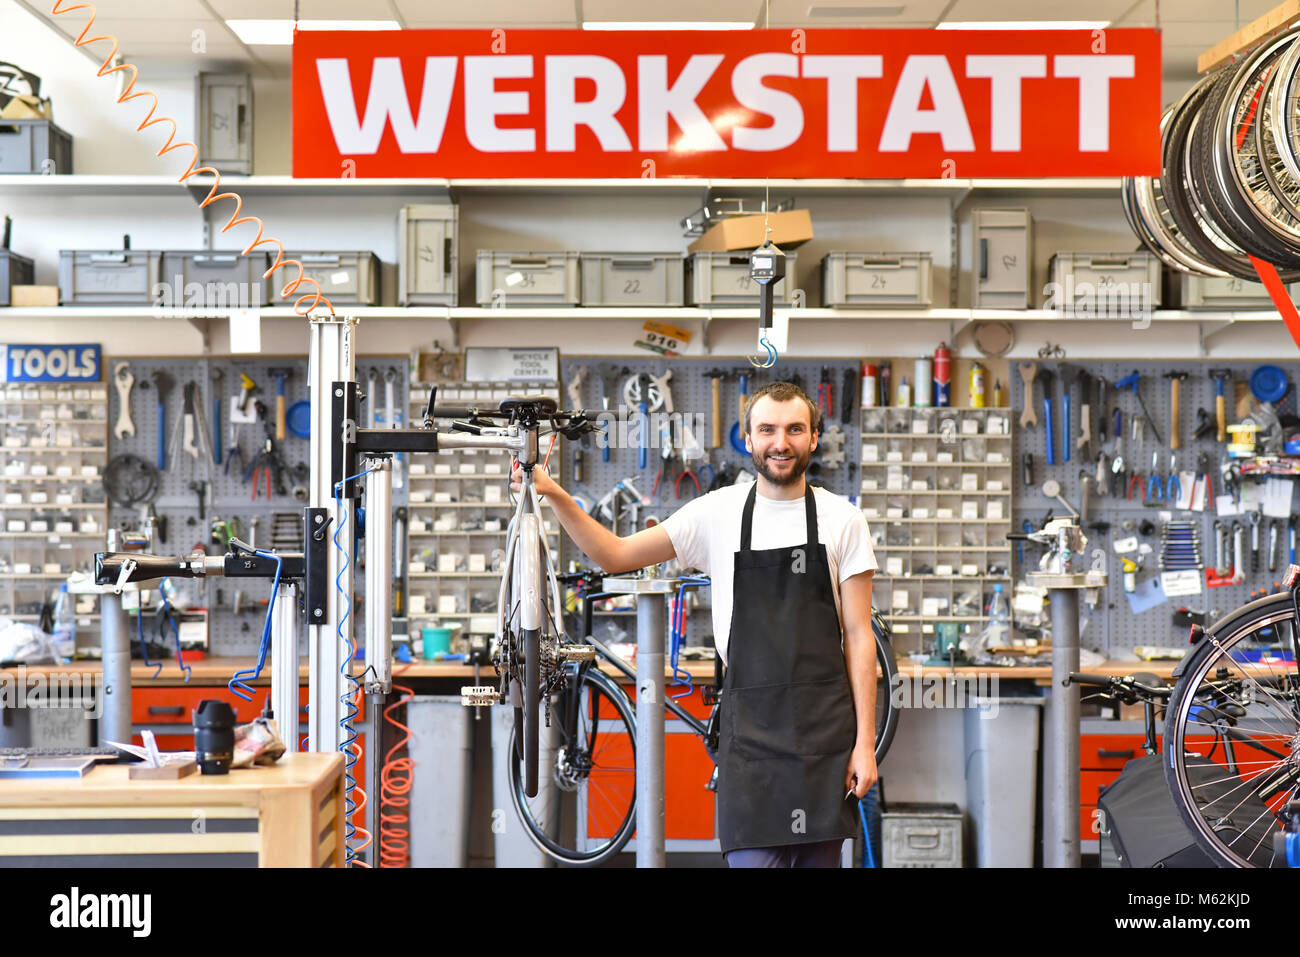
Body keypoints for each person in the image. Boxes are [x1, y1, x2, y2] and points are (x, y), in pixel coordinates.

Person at [511, 380, 878, 868]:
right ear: (747, 439)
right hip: (751, 740)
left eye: (794, 429)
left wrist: (865, 746)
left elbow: (858, 637)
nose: (780, 442)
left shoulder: (843, 520)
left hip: (824, 739)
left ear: (813, 438)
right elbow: (615, 555)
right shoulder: (718, 512)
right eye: (767, 429)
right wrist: (554, 493)